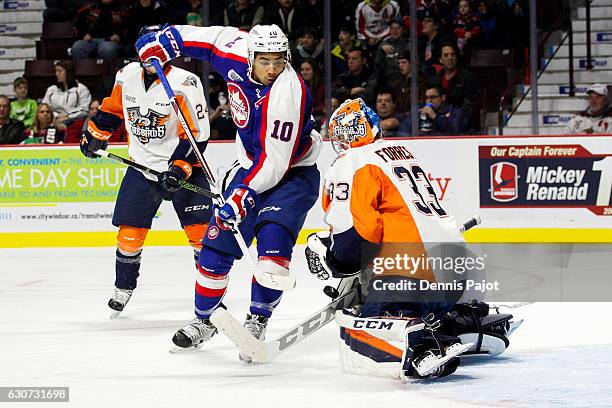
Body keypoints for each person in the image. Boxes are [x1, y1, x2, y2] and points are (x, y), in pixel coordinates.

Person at [136, 23, 321, 359]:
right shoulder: (235, 49)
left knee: (272, 256)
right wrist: (164, 42)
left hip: (291, 177)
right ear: (250, 56)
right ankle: (203, 320)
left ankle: (257, 320)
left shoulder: (288, 93)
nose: (271, 69)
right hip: (249, 168)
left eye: (279, 61)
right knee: (214, 250)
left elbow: (274, 162)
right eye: (264, 60)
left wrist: (242, 195)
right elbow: (204, 40)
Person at [305, 97, 470, 379]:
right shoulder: (399, 151)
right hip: (457, 272)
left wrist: (333, 258)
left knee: (356, 332)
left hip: (411, 276)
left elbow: (357, 233)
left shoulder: (353, 160)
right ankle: (465, 321)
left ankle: (421, 344)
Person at [80, 25, 214, 317]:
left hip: (183, 167)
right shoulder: (126, 76)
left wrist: (179, 167)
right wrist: (95, 135)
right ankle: (123, 287)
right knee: (129, 234)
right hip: (142, 167)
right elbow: (113, 111)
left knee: (201, 235)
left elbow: (197, 135)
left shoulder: (185, 83)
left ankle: (211, 294)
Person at [434, 42, 480, 131]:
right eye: (446, 55)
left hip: (459, 125)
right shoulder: (435, 80)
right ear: (440, 59)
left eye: (453, 54)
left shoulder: (468, 78)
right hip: (438, 123)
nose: (450, 58)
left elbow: (468, 108)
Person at [399, 84, 467, 135]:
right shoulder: (421, 110)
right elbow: (404, 129)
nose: (429, 101)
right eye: (427, 98)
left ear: (443, 98)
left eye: (433, 97)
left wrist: (435, 117)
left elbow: (456, 131)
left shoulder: (454, 111)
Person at [42, 60, 92, 126]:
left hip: (74, 121)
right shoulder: (51, 89)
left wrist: (68, 117)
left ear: (68, 73)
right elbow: (45, 107)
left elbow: (85, 110)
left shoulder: (81, 89)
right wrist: (56, 116)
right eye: (56, 71)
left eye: (60, 71)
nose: (56, 74)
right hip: (54, 120)